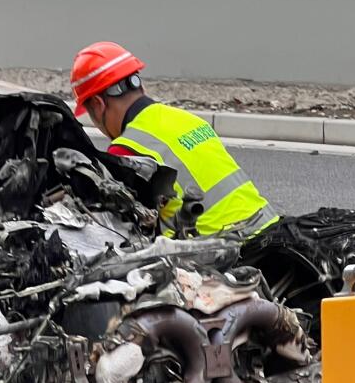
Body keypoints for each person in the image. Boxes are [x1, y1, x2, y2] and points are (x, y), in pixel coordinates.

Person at [70, 41, 279, 239]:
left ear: (98, 104)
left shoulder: (126, 148)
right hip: (268, 229)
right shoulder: (186, 119)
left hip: (219, 249)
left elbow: (127, 228)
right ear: (138, 85)